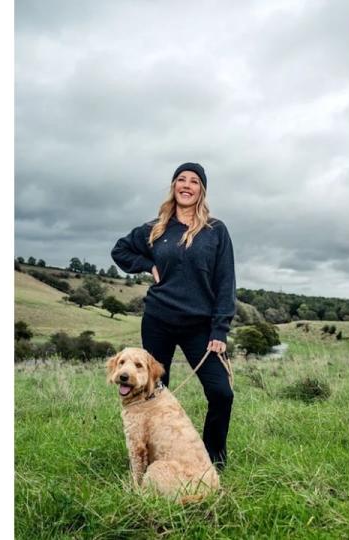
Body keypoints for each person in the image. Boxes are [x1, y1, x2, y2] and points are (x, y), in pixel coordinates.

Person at [111, 162, 236, 470]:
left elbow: (225, 281)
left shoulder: (215, 231)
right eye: (181, 179)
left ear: (201, 190)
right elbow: (120, 250)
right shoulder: (157, 228)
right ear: (174, 186)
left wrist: (219, 330)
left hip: (200, 326)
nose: (187, 185)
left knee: (221, 392)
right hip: (159, 321)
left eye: (194, 181)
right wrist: (147, 265)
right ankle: (155, 455)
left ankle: (212, 460)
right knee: (153, 394)